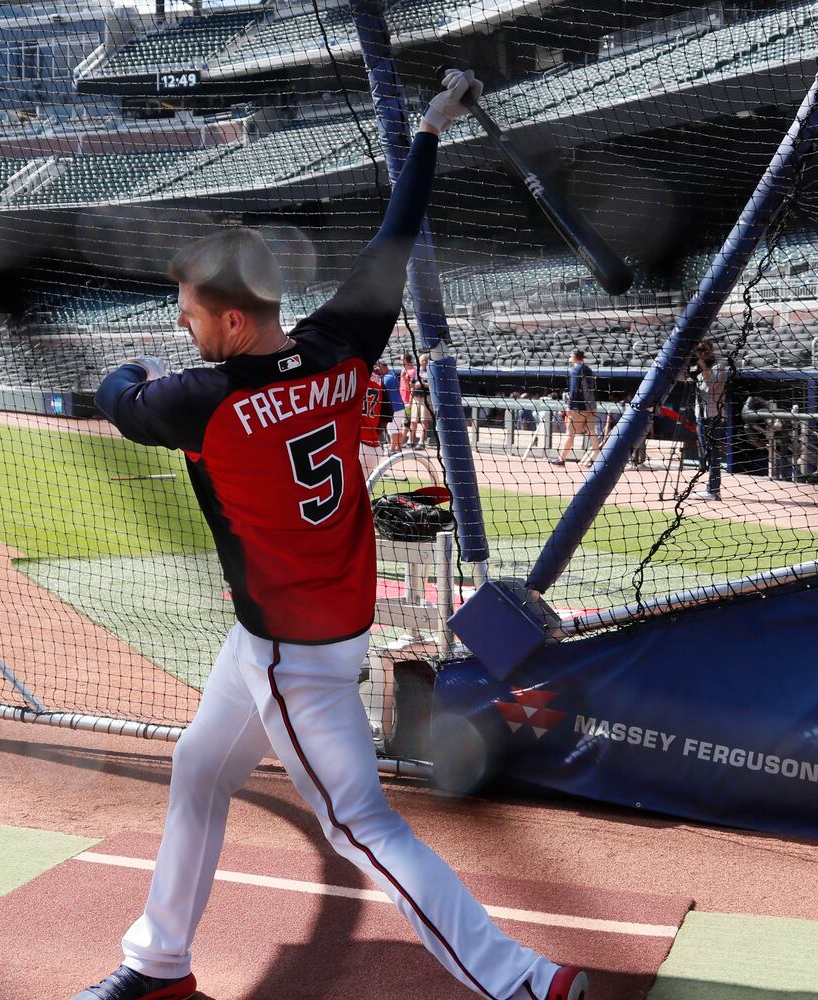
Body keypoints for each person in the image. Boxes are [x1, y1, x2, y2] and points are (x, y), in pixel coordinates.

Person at [76, 70, 587, 1000]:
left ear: (234, 320)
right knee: (200, 769)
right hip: (298, 626)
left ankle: (521, 980)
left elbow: (118, 400)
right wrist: (428, 131)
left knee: (362, 825)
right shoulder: (340, 344)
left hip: (293, 650)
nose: (182, 326)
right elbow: (397, 235)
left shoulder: (200, 399)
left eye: (190, 315)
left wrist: (129, 368)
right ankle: (158, 963)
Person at [551, 348, 597, 466]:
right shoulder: (589, 370)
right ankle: (598, 460)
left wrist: (570, 406)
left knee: (570, 433)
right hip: (591, 405)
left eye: (571, 355)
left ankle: (561, 459)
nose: (569, 357)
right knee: (592, 432)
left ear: (575, 357)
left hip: (579, 407)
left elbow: (574, 389)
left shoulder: (575, 370)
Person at [694, 340, 727, 500]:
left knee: (713, 455)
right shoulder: (697, 369)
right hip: (701, 418)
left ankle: (713, 490)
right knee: (707, 454)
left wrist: (703, 366)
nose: (701, 353)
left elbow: (709, 387)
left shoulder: (719, 367)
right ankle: (711, 488)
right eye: (699, 350)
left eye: (704, 350)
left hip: (714, 417)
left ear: (711, 351)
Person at [382, 358, 406, 453]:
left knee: (392, 429)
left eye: (379, 367)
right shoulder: (392, 374)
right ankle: (398, 448)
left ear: (384, 367)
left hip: (394, 408)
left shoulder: (387, 378)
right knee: (397, 428)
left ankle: (392, 449)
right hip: (399, 407)